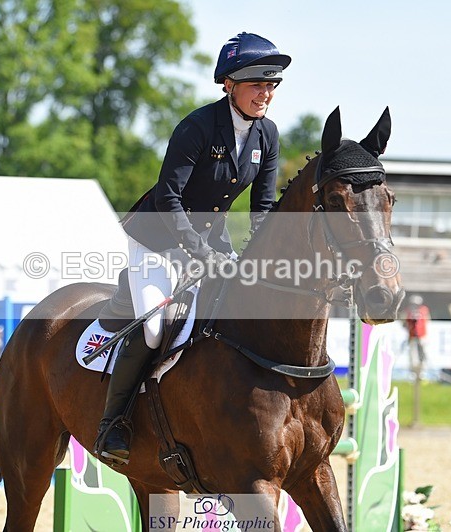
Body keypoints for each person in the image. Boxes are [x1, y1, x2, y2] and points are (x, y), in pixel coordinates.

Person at [93, 32, 291, 465]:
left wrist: (264, 256)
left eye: (271, 85)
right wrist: (198, 252)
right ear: (229, 85)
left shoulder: (267, 135)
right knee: (153, 327)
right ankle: (113, 423)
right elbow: (169, 196)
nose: (266, 93)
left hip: (211, 240)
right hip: (157, 238)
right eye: (257, 84)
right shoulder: (197, 126)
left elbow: (261, 207)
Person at [404, 295, 430, 375]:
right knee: (413, 354)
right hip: (412, 336)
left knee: (423, 353)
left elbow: (427, 321)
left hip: (422, 335)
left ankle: (422, 371)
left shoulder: (424, 310)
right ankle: (413, 372)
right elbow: (405, 323)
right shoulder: (408, 311)